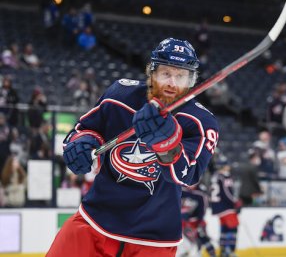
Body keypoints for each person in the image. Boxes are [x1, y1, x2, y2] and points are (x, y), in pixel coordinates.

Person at [47, 37, 219, 257]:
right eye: (166, 73)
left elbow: (188, 174)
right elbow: (84, 129)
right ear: (152, 73)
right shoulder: (120, 95)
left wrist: (167, 142)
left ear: (191, 80)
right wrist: (80, 144)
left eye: (181, 76)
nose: (172, 83)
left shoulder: (201, 121)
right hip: (95, 221)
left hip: (154, 238)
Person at [210, 156, 240, 257]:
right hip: (226, 207)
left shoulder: (216, 175)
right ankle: (229, 250)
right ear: (224, 166)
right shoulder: (225, 177)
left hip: (218, 207)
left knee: (224, 229)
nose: (229, 166)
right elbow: (227, 192)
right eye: (227, 164)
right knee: (232, 228)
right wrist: (234, 202)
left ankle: (223, 250)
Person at [177, 183, 216, 257]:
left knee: (202, 237)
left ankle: (212, 253)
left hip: (196, 222)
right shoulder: (181, 191)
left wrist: (200, 221)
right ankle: (186, 253)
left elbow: (203, 209)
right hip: (183, 223)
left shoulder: (200, 194)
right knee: (185, 240)